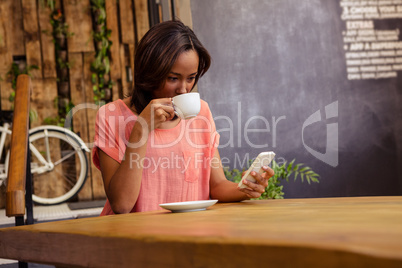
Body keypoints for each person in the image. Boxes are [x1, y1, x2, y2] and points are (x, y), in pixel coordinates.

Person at [92, 20, 274, 215]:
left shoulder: (201, 113)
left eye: (191, 77)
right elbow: (121, 205)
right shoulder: (111, 116)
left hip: (189, 236)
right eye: (173, 78)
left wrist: (244, 189)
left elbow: (217, 185)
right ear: (150, 72)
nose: (183, 89)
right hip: (135, 240)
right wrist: (141, 129)